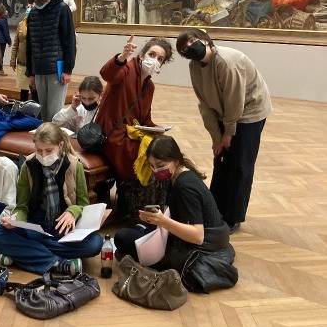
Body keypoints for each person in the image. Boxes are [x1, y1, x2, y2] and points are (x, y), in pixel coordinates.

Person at [176, 28, 272, 233]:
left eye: (193, 41)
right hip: (223, 110)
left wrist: (228, 133)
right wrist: (216, 138)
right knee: (221, 161)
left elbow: (235, 102)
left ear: (205, 40)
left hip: (249, 110)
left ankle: (233, 216)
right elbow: (204, 103)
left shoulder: (227, 62)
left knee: (240, 165)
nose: (190, 47)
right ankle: (216, 209)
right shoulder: (195, 67)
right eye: (184, 48)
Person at [0, 123, 104, 274]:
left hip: (64, 229)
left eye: (49, 150)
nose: (43, 156)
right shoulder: (28, 166)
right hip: (36, 226)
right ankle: (57, 263)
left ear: (60, 145)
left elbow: (84, 205)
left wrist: (72, 212)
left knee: (95, 244)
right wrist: (15, 219)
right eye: (39, 150)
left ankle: (22, 255)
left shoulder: (74, 166)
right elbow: (22, 207)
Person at [113, 135, 232, 273]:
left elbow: (198, 236)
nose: (156, 170)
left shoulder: (185, 187)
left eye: (160, 165)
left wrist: (162, 221)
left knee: (122, 237)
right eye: (152, 166)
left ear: (175, 161)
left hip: (200, 248)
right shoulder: (178, 175)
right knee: (138, 234)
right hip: (204, 239)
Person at [95, 35, 173, 215]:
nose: (154, 60)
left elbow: (145, 118)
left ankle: (151, 206)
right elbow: (108, 74)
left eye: (160, 59)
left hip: (130, 133)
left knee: (163, 150)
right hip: (111, 134)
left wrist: (159, 130)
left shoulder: (149, 86)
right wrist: (122, 56)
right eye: (152, 54)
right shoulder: (127, 69)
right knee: (144, 156)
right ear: (142, 55)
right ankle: (135, 206)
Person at [26, 0, 76, 122]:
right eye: (35, 1)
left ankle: (53, 142)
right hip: (39, 70)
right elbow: (30, 45)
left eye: (40, 1)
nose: (38, 4)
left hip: (57, 69)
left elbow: (69, 41)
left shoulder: (62, 9)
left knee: (55, 113)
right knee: (42, 111)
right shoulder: (33, 13)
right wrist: (30, 73)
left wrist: (68, 69)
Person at [10, 4, 38, 102]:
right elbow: (15, 44)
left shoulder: (38, 25)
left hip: (34, 64)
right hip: (22, 62)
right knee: (23, 89)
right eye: (28, 7)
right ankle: (23, 108)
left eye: (31, 7)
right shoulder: (21, 24)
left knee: (34, 90)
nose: (29, 9)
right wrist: (13, 60)